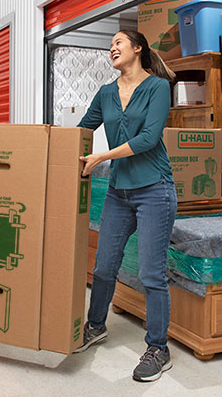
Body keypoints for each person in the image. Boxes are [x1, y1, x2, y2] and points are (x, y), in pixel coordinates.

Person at [74, 30, 177, 382]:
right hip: (119, 191)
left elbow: (149, 139)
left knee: (151, 273)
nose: (112, 47)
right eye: (110, 44)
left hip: (154, 190)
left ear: (137, 48)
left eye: (118, 41)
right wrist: (49, 146)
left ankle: (158, 348)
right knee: (103, 267)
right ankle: (96, 325)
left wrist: (102, 155)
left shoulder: (158, 87)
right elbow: (83, 128)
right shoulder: (105, 93)